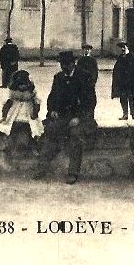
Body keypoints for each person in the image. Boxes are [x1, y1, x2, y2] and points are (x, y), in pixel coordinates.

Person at [33, 50, 94, 184]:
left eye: (66, 65)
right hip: (64, 116)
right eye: (62, 65)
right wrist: (52, 110)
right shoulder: (59, 77)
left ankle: (73, 172)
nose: (63, 68)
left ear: (73, 64)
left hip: (82, 118)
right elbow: (52, 97)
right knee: (50, 131)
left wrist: (78, 117)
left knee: (76, 135)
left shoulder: (85, 76)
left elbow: (90, 102)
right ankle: (41, 167)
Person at [0, 69, 43, 139]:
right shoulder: (13, 98)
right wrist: (4, 116)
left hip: (28, 115)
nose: (22, 87)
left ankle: (32, 139)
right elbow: (6, 106)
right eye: (20, 85)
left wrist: (35, 112)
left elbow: (35, 108)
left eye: (24, 85)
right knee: (11, 127)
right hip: (15, 115)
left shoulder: (31, 98)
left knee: (33, 127)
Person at [111, 41, 134, 120]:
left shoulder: (133, 57)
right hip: (122, 82)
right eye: (121, 47)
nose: (122, 49)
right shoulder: (120, 58)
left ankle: (133, 113)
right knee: (123, 98)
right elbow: (116, 70)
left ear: (127, 48)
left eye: (124, 47)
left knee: (130, 97)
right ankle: (125, 114)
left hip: (130, 82)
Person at [75, 44, 99, 118]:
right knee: (82, 100)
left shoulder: (93, 60)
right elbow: (77, 71)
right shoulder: (80, 60)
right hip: (82, 84)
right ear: (83, 50)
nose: (86, 51)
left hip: (90, 84)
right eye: (85, 49)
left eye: (88, 49)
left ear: (90, 51)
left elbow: (95, 72)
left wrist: (93, 82)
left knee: (91, 100)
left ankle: (91, 116)